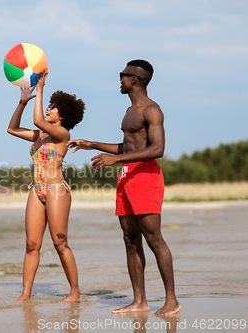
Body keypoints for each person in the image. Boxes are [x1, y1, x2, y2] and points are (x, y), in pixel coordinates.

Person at [67, 60, 180, 315]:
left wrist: (116, 160)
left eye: (123, 75)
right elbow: (128, 148)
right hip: (127, 177)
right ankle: (139, 301)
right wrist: (93, 144)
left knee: (154, 239)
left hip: (146, 177)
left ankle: (171, 300)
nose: (120, 79)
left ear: (135, 79)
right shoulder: (129, 111)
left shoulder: (152, 110)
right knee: (130, 240)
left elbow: (157, 149)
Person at [7, 72, 85, 301]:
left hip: (56, 190)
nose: (49, 109)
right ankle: (26, 293)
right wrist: (22, 102)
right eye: (48, 105)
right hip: (37, 190)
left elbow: (37, 120)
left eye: (53, 106)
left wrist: (40, 90)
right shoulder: (39, 136)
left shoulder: (62, 134)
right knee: (31, 244)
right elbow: (12, 129)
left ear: (64, 115)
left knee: (60, 242)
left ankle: (75, 291)